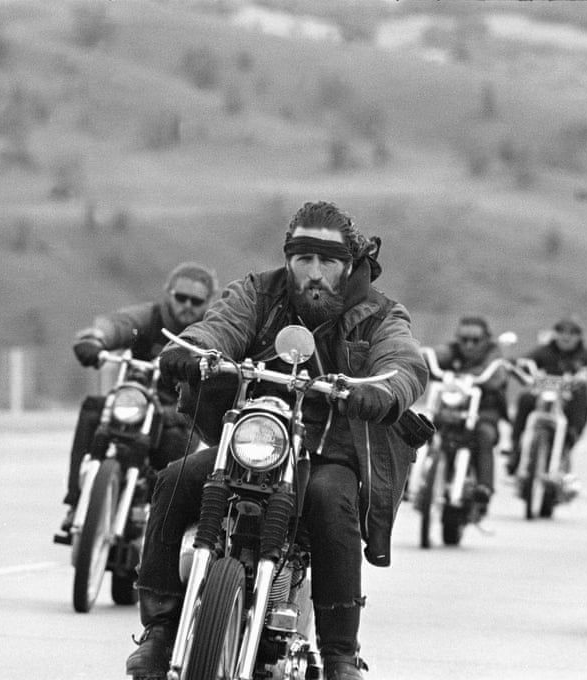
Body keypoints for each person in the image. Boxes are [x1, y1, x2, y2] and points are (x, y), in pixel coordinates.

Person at [123, 201, 428, 680]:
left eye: (326, 261)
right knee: (175, 478)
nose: (313, 272)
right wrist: (197, 349)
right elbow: (220, 324)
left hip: (330, 452)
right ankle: (160, 633)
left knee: (331, 501)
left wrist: (385, 391)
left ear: (348, 265)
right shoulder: (257, 292)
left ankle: (339, 656)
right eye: (303, 259)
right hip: (254, 439)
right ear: (289, 260)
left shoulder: (380, 314)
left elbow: (404, 361)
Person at [57, 262, 218, 536]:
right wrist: (96, 339)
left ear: (207, 302)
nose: (187, 305)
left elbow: (225, 349)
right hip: (135, 400)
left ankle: (159, 521)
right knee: (94, 410)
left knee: (177, 450)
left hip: (178, 412)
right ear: (168, 293)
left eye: (196, 300)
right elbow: (121, 325)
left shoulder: (210, 330)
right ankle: (75, 501)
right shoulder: (150, 318)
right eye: (181, 297)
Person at [431, 316, 508, 513]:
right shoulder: (452, 351)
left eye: (475, 340)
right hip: (452, 408)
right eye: (464, 339)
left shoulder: (494, 354)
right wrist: (419, 357)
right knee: (424, 427)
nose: (469, 345)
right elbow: (437, 356)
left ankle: (484, 487)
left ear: (486, 339)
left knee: (484, 434)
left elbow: (497, 375)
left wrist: (477, 376)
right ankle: (408, 479)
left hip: (484, 411)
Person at [505, 316, 587, 476]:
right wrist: (516, 365)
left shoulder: (586, 356)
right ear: (555, 334)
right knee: (525, 399)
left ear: (579, 337)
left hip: (569, 400)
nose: (566, 337)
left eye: (572, 333)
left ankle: (566, 446)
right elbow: (527, 363)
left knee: (581, 401)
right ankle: (516, 447)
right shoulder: (544, 351)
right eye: (561, 332)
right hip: (544, 396)